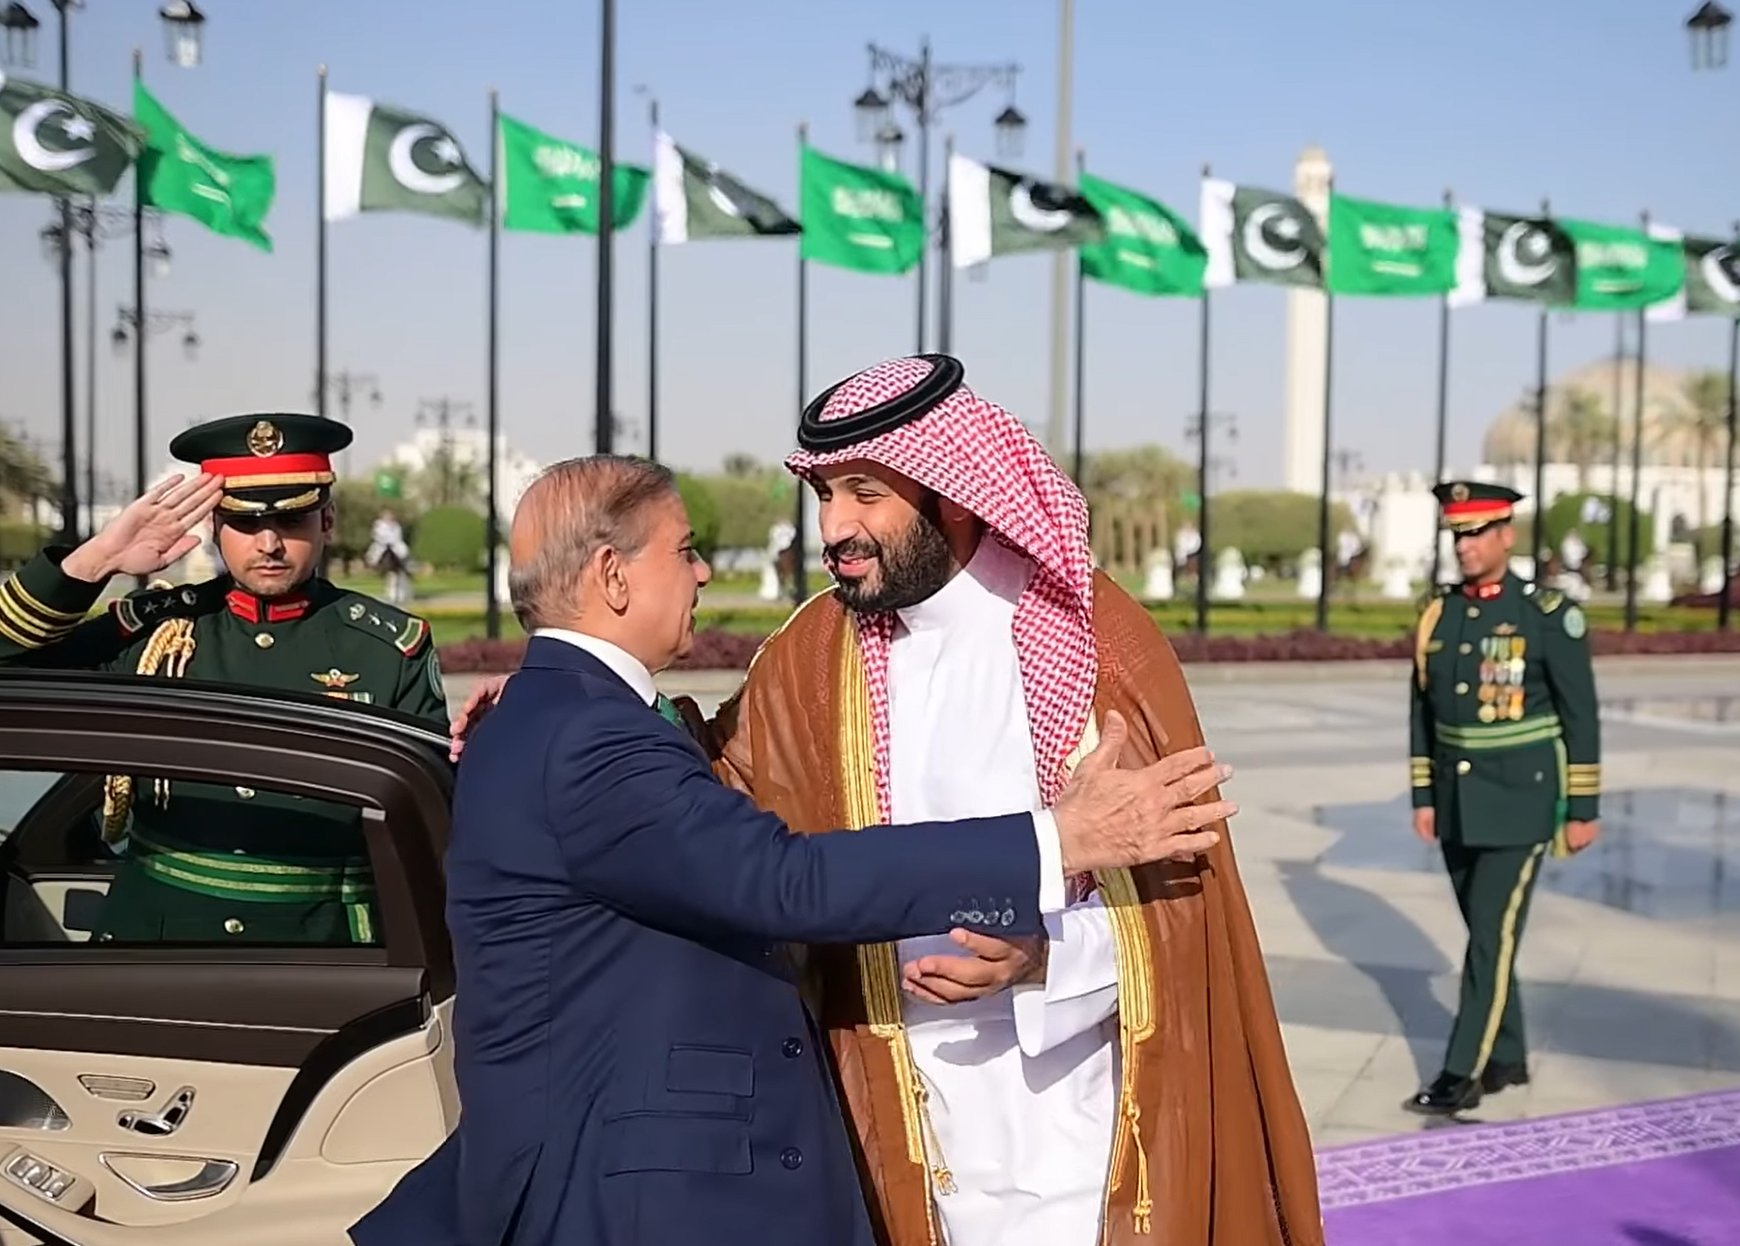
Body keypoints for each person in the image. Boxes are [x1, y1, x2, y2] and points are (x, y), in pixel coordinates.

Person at [353, 454, 1235, 1246]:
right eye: (685, 551)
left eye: (863, 493)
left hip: (1042, 1130)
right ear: (613, 576)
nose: (703, 571)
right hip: (648, 1194)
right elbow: (783, 878)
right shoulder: (585, 735)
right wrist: (1057, 838)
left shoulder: (563, 715)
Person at [699, 355, 1322, 1244]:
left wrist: (1044, 962)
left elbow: (1183, 919)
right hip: (889, 1127)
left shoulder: (1099, 643)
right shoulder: (811, 656)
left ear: (954, 494)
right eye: (825, 494)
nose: (835, 527)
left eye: (866, 493)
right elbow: (716, 808)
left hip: (1072, 1140)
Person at [0, 413, 447, 944]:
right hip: (156, 944)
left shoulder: (388, 647)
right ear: (214, 525)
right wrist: (97, 561)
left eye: (291, 521)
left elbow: (432, 817)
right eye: (245, 523)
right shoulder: (156, 630)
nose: (269, 544)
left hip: (324, 951)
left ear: (327, 520)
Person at [1405, 481, 1602, 1116]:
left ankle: (1461, 1071)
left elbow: (1581, 715)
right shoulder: (1440, 613)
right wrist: (1424, 793)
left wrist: (1583, 808)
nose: (1465, 547)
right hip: (1457, 801)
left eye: (1476, 534)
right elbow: (1422, 710)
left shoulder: (1547, 615)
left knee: (1489, 935)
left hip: (1522, 803)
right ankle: (1509, 1056)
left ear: (1506, 536)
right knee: (1487, 933)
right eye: (1457, 536)